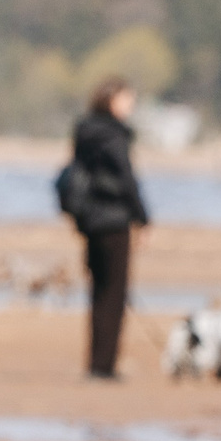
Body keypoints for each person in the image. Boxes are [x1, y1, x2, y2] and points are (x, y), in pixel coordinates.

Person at [66, 77, 151, 379]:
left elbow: (74, 174)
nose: (131, 105)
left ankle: (96, 362)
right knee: (115, 293)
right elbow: (127, 179)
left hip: (88, 219)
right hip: (114, 219)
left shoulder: (84, 131)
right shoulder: (115, 135)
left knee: (98, 291)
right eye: (128, 99)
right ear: (112, 100)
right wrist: (143, 217)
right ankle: (105, 365)